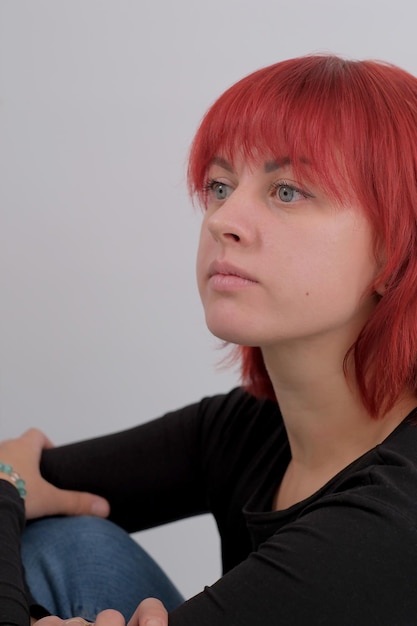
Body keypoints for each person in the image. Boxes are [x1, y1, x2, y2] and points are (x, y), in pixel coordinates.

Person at [3, 52, 417, 626]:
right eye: (221, 185)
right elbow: (17, 477)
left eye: (288, 191)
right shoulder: (250, 429)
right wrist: (10, 484)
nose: (223, 219)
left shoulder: (396, 515)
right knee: (63, 543)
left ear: (396, 245)